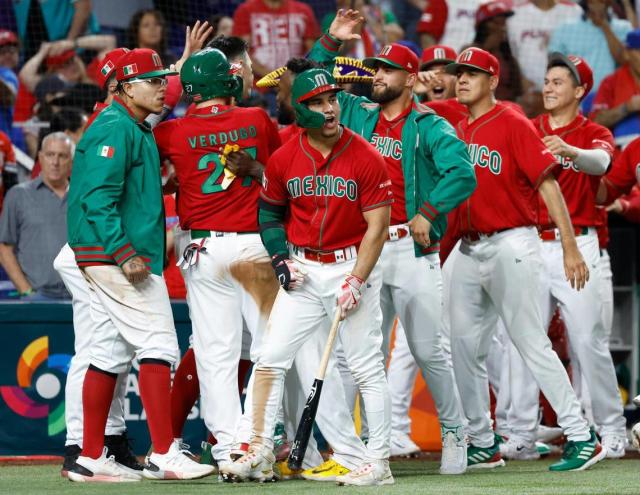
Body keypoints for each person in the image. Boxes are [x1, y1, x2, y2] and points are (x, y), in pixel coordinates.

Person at [309, 10, 476, 475]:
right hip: (365, 249)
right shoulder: (357, 117)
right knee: (357, 354)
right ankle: (354, 448)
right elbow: (309, 81)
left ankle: (456, 432)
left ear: (410, 78)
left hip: (410, 249)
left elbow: (463, 173)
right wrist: (332, 42)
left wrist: (429, 212)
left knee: (428, 349)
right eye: (375, 69)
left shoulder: (429, 125)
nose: (376, 76)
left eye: (386, 70)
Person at [221, 67, 394, 486]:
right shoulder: (283, 158)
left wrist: (357, 279)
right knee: (270, 358)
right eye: (317, 102)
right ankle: (257, 448)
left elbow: (379, 227)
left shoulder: (366, 156)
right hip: (304, 270)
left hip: (350, 267)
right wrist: (280, 257)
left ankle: (379, 462)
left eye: (331, 99)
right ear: (300, 110)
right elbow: (269, 213)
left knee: (366, 366)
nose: (330, 108)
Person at [444, 46, 605, 471]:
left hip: (512, 242)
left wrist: (569, 246)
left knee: (530, 341)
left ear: (493, 81)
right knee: (462, 346)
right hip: (469, 247)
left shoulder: (512, 121)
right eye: (459, 73)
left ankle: (581, 434)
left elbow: (548, 185)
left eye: (472, 74)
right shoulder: (460, 127)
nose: (462, 79)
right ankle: (482, 440)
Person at [65, 48, 214, 482]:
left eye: (162, 79)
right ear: (125, 87)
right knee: (160, 345)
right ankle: (165, 452)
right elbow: (96, 198)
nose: (162, 87)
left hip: (109, 253)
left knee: (110, 353)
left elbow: (121, 188)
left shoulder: (133, 126)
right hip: (114, 255)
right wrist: (125, 251)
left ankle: (91, 458)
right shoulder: (114, 125)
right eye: (151, 81)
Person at [153, 40, 282, 469]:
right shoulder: (256, 119)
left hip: (202, 248)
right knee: (267, 349)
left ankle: (228, 446)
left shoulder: (171, 131)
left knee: (215, 353)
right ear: (226, 81)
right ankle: (258, 442)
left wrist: (175, 73)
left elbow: (142, 132)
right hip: (254, 246)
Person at [502, 53, 626, 460]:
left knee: (588, 340)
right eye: (548, 80)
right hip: (530, 243)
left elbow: (602, 163)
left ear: (580, 91)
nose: (550, 87)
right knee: (524, 339)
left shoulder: (593, 131)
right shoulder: (528, 127)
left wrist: (569, 149)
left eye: (559, 81)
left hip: (579, 243)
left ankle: (611, 429)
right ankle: (520, 431)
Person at [0, 132, 72, 300]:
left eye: (62, 156)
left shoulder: (83, 197)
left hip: (79, 297)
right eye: (50, 155)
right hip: (37, 296)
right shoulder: (18, 195)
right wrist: (26, 291)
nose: (55, 162)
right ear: (40, 157)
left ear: (71, 161)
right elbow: (4, 248)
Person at [507, 0, 582, 116]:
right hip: (529, 95)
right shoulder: (515, 13)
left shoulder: (573, 11)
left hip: (564, 92)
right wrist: (521, 79)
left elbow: (580, 52)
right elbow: (511, 54)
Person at [548, 0, 632, 91]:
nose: (597, 3)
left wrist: (604, 26)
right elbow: (554, 64)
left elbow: (624, 60)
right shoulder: (565, 28)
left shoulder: (624, 27)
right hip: (576, 96)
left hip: (611, 96)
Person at [232, 0, 320, 78]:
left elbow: (312, 52)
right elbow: (241, 54)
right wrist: (273, 78)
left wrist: (294, 77)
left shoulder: (303, 11)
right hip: (260, 86)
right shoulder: (245, 10)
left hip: (296, 83)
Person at [591, 29, 640, 148]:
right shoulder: (611, 83)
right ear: (626, 53)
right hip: (622, 154)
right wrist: (628, 107)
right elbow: (596, 122)